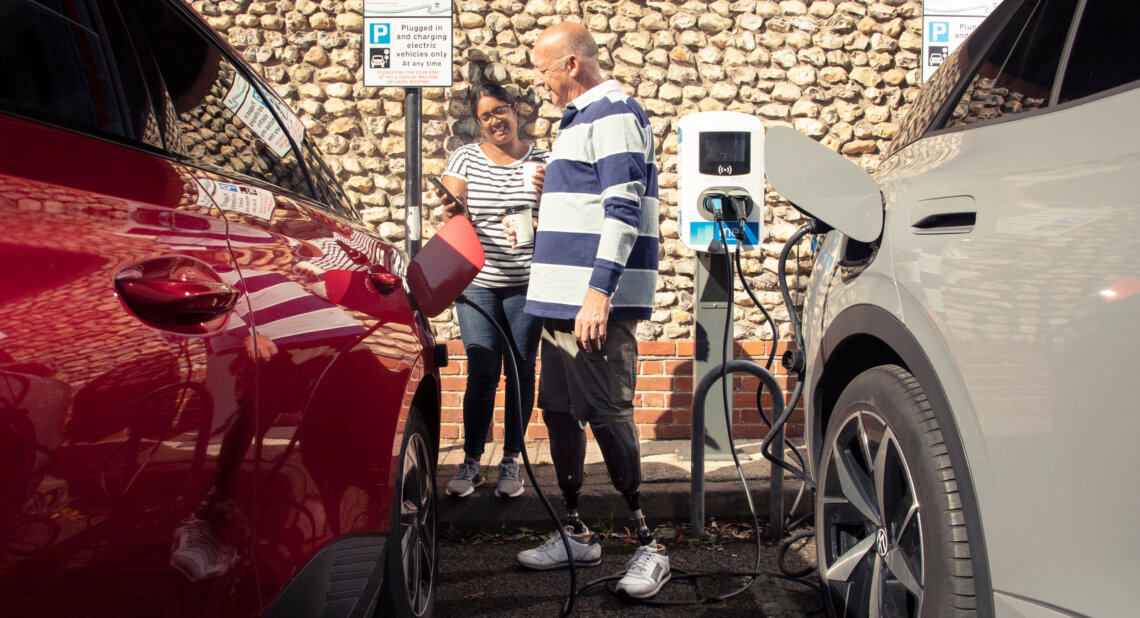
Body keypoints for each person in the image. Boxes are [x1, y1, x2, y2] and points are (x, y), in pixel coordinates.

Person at [514, 22, 668, 600]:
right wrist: (546, 190)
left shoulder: (614, 112)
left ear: (573, 65)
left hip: (588, 302)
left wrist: (599, 292)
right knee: (558, 410)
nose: (539, 83)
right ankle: (577, 530)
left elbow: (623, 207)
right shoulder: (577, 121)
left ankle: (649, 544)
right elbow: (589, 201)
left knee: (606, 414)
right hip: (558, 301)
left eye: (543, 71)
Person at [436, 82, 548, 500]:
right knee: (482, 372)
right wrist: (451, 207)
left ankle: (511, 460)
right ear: (479, 122)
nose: (495, 121)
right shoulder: (466, 157)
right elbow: (453, 208)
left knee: (520, 371)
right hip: (477, 284)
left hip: (525, 283)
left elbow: (563, 213)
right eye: (486, 116)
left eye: (501, 110)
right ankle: (471, 461)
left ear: (516, 110)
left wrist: (547, 196)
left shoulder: (543, 160)